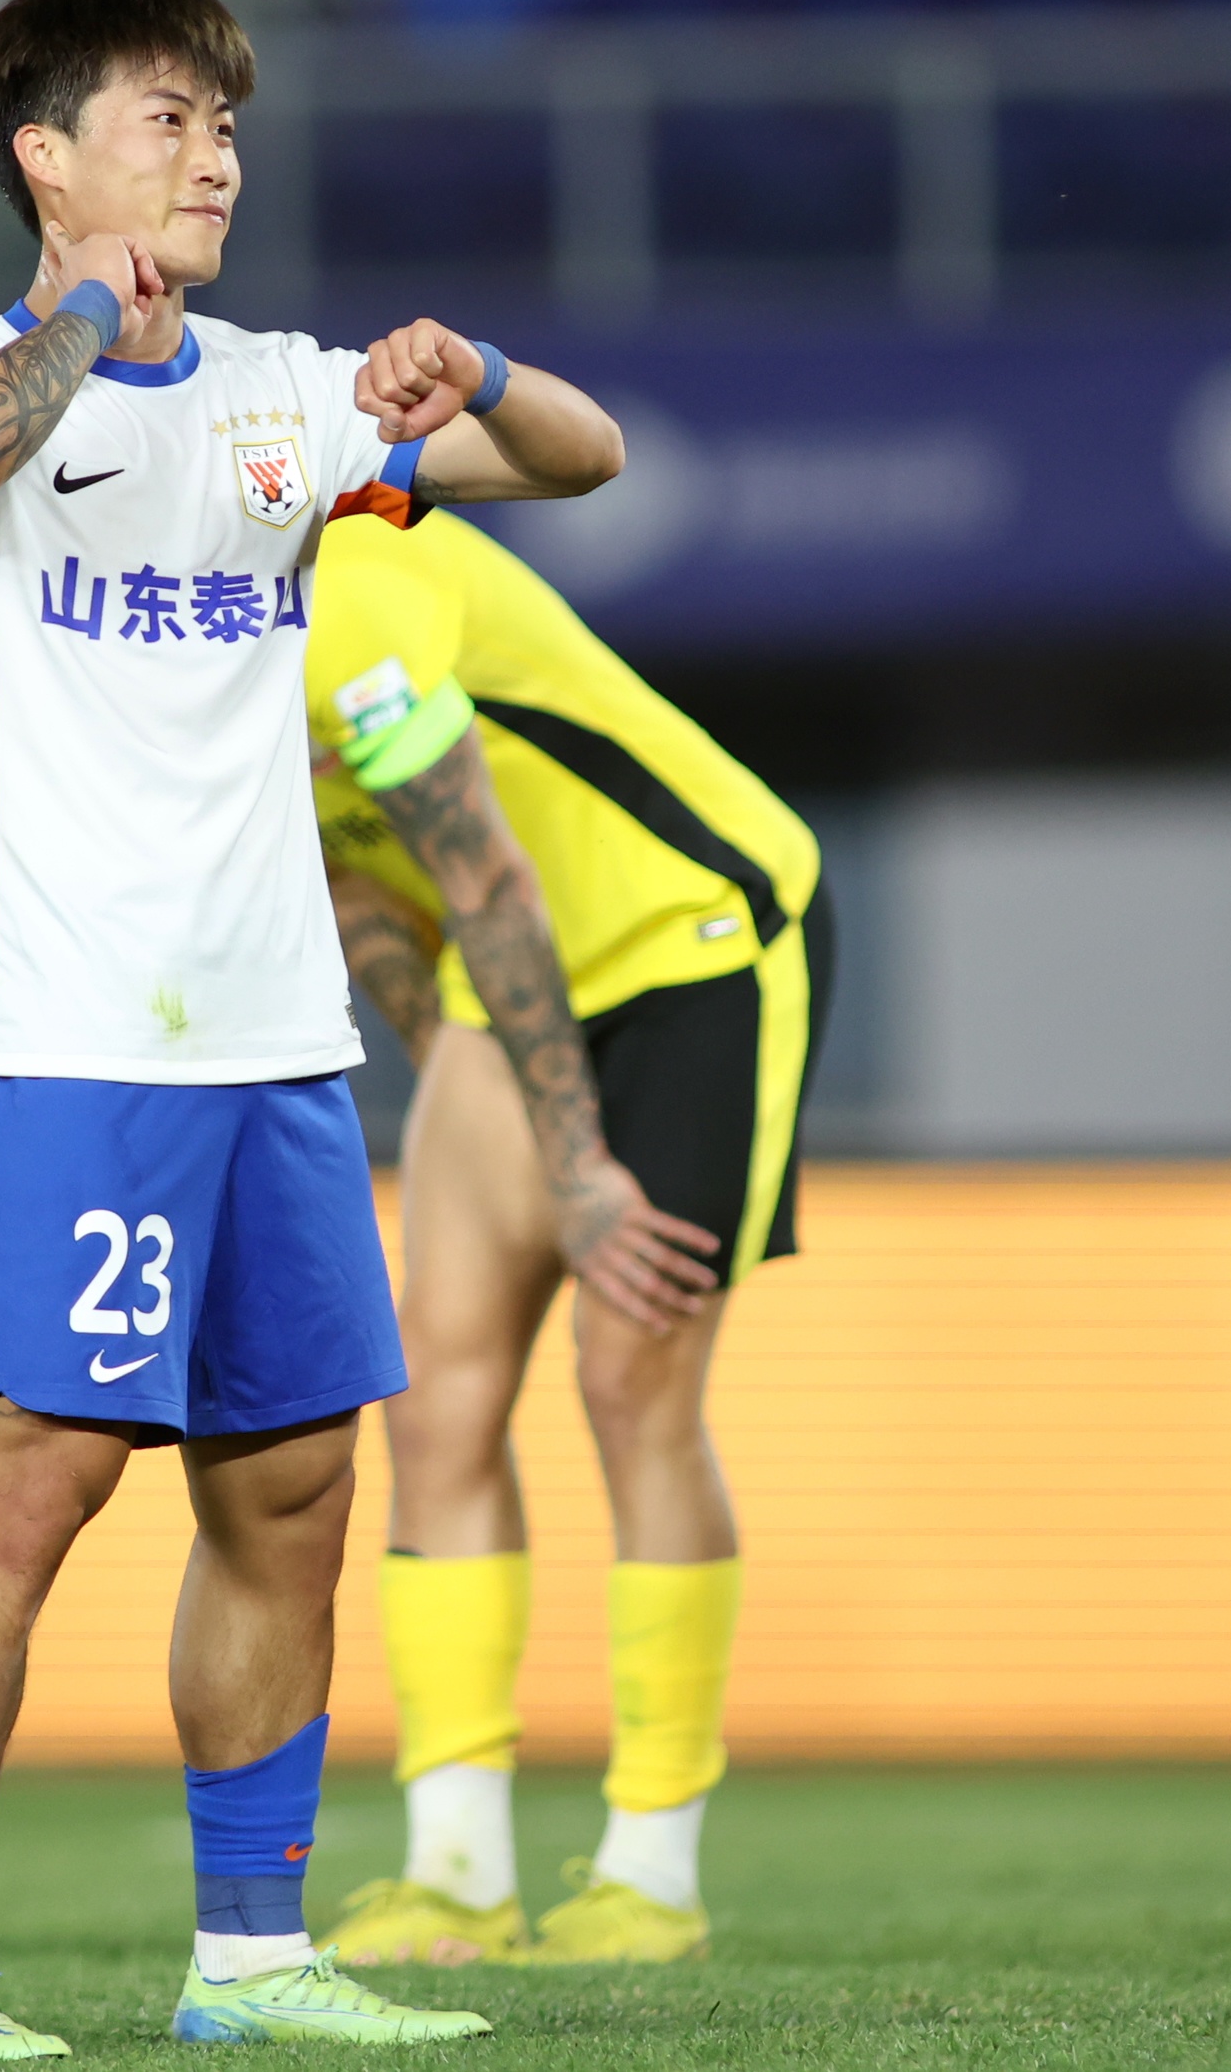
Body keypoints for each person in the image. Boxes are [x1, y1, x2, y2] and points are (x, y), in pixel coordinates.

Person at [0, 0, 633, 2056]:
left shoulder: (290, 392)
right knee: (29, 1491)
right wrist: (85, 320)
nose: (216, 161)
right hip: (67, 1031)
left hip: (281, 1043)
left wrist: (478, 366)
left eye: (225, 128)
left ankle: (252, 1958)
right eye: (168, 122)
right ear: (45, 155)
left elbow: (582, 457)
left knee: (291, 1495)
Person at [294, 514, 827, 1971]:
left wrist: (577, 1164)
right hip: (505, 976)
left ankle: (652, 1874)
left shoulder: (350, 593)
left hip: (700, 936)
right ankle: (457, 1875)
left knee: (630, 1383)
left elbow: (485, 877)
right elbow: (354, 886)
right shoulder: (170, 647)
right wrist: (471, 1077)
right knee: (434, 1399)